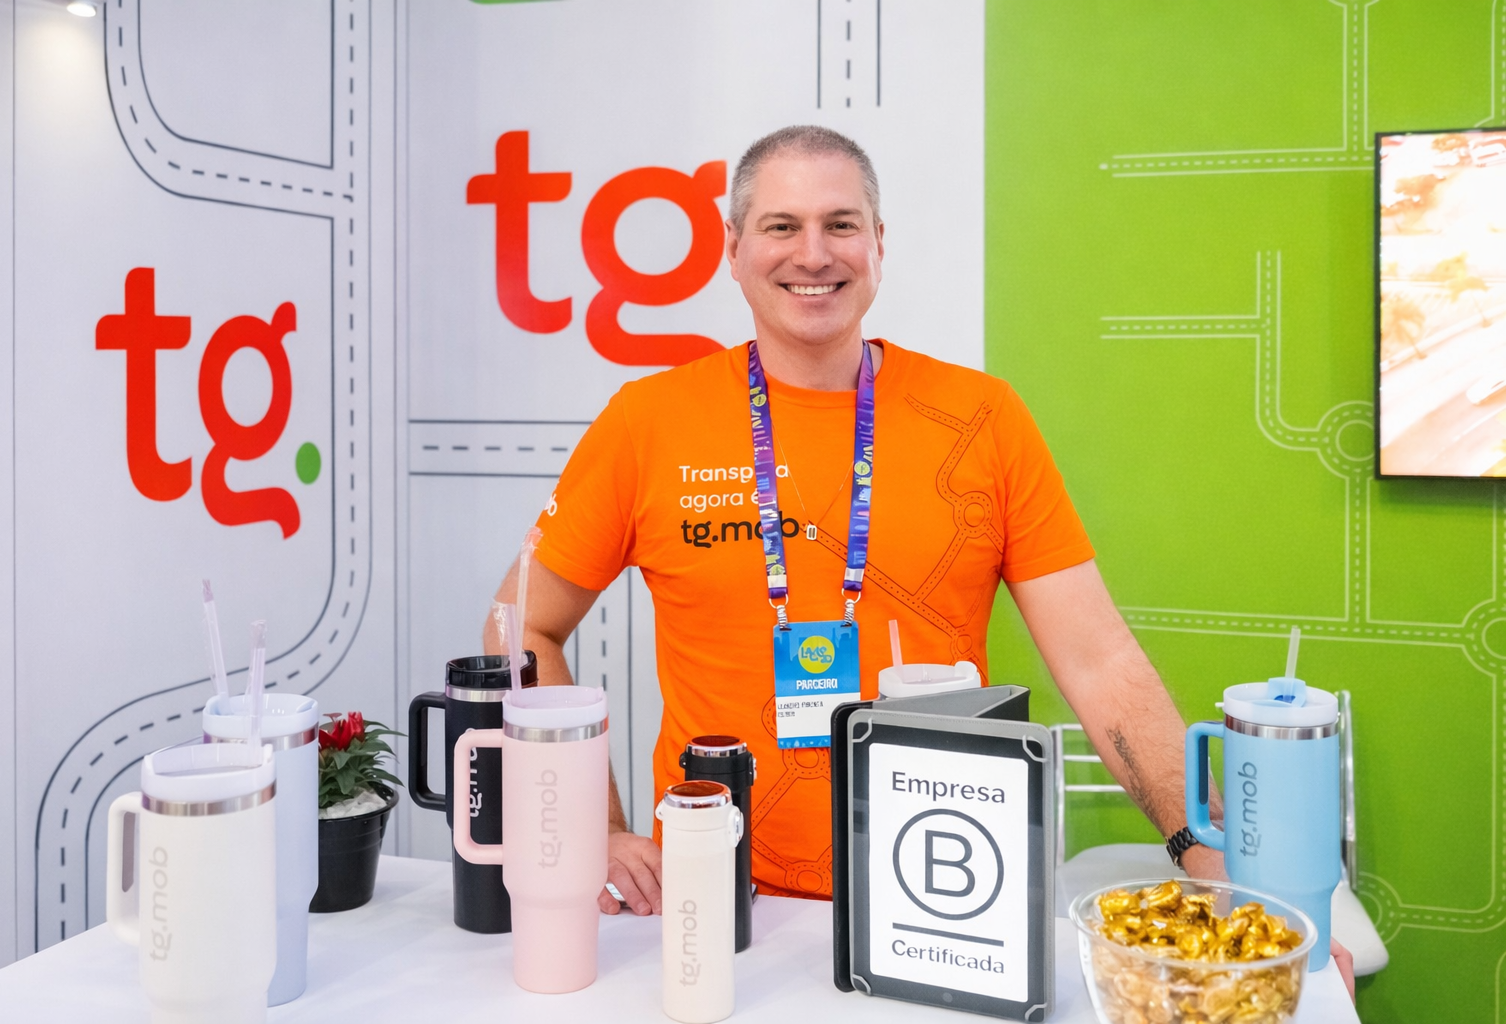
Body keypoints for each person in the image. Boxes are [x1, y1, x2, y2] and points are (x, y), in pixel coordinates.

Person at [491, 125, 1355, 992]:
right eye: (782, 226)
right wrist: (594, 828)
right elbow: (519, 626)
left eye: (840, 224)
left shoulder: (980, 419)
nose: (813, 254)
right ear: (733, 248)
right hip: (718, 908)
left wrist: (1207, 859)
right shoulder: (648, 423)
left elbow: (1099, 661)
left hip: (949, 907)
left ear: (877, 243)